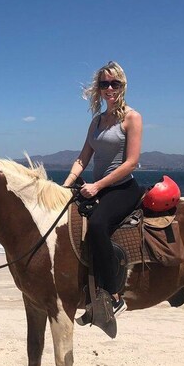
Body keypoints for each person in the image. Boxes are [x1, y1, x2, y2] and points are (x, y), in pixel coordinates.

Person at [62, 61, 143, 320]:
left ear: (123, 86)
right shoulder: (97, 121)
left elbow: (131, 162)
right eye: (104, 83)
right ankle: (87, 293)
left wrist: (97, 185)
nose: (110, 88)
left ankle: (113, 294)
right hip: (97, 189)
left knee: (97, 226)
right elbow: (82, 158)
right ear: (98, 89)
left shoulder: (132, 117)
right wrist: (66, 185)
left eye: (114, 83)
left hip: (122, 188)